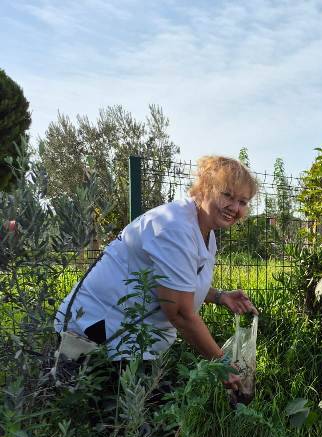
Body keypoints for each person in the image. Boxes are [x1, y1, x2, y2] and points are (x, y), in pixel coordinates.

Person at [54, 155, 259, 391]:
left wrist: (219, 296)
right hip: (96, 333)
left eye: (243, 202)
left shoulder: (203, 230)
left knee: (138, 417)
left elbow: (176, 282)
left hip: (129, 339)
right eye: (227, 195)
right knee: (123, 420)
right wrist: (221, 363)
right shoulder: (176, 228)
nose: (235, 208)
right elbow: (180, 314)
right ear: (204, 189)